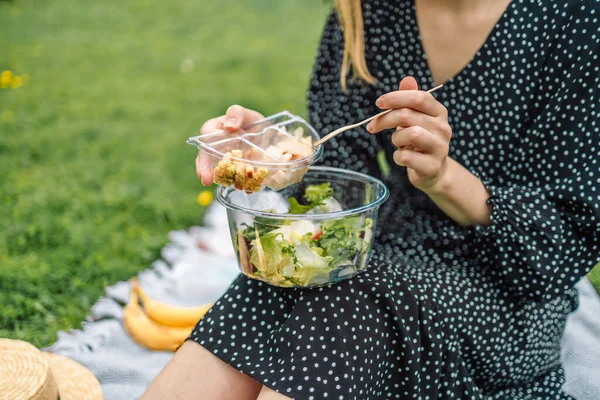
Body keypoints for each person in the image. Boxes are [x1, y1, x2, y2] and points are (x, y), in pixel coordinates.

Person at [143, 0, 599, 398]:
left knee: (348, 296)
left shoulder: (575, 18)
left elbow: (561, 244)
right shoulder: (368, 10)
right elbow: (344, 177)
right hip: (385, 250)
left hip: (506, 294)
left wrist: (443, 177)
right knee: (277, 282)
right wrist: (279, 155)